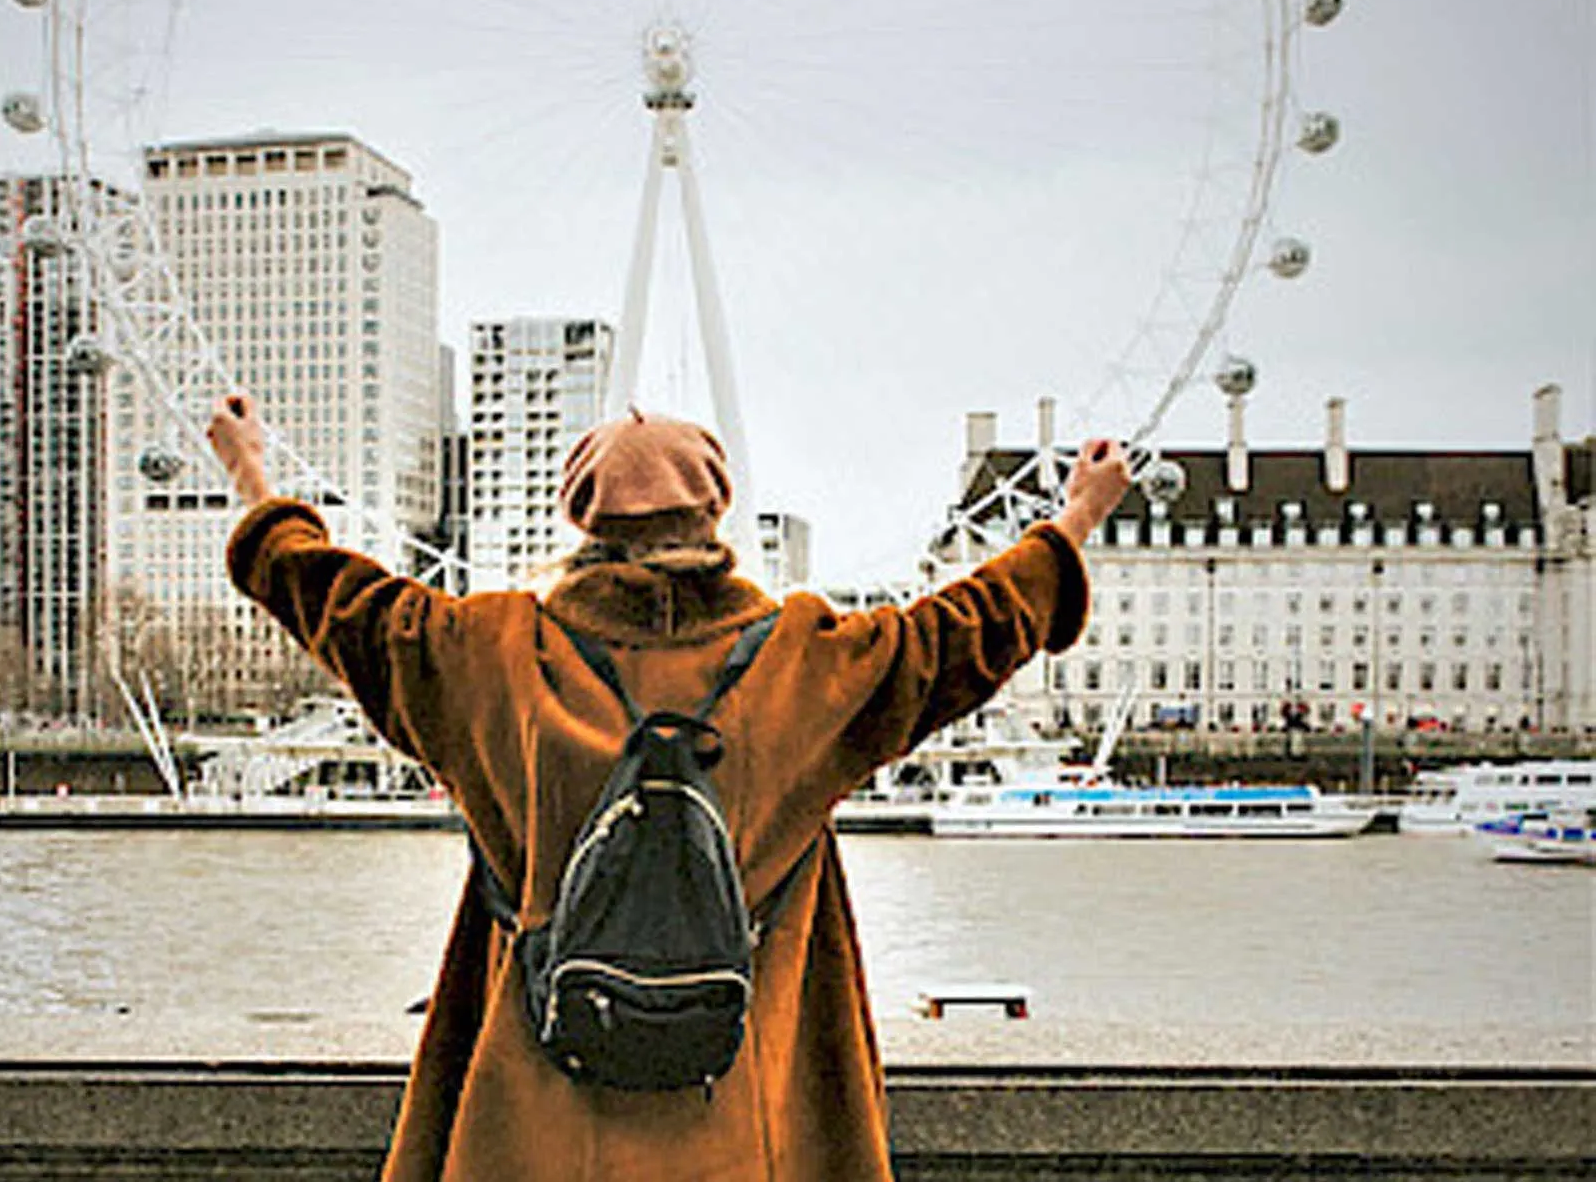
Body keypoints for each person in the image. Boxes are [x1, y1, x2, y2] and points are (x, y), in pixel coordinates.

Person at [210, 393, 1130, 1182]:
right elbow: (965, 628)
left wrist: (253, 475)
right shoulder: (808, 666)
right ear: (716, 512)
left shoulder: (482, 653)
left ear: (583, 519)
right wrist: (1074, 519)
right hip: (745, 1119)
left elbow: (328, 596)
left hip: (529, 1126)